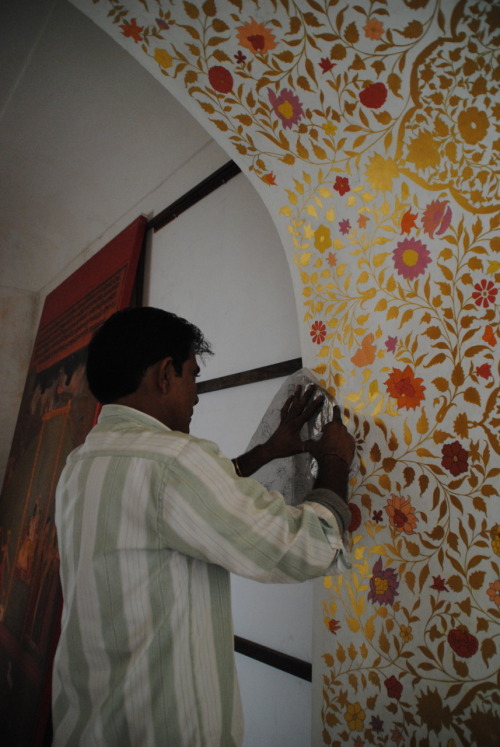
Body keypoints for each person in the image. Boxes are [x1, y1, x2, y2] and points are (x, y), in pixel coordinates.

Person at [51, 306, 355, 746]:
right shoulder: (174, 460)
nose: (195, 395)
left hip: (86, 724)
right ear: (164, 373)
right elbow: (306, 546)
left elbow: (173, 506)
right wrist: (334, 459)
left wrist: (265, 453)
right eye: (192, 375)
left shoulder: (81, 463)